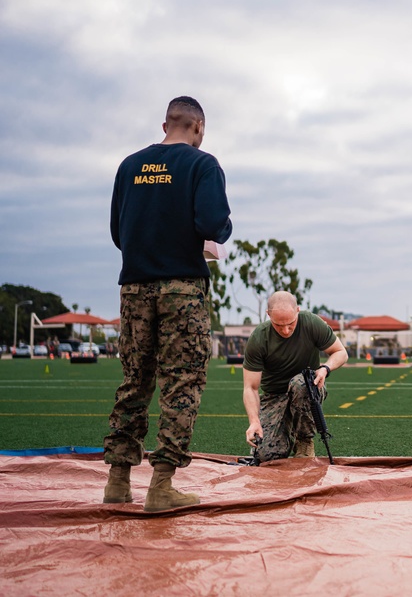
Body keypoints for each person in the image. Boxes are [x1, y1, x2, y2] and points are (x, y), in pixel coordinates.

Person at [104, 96, 232, 512]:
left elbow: (117, 232)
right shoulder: (202, 165)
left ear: (165, 125)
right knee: (182, 383)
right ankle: (161, 485)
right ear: (199, 127)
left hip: (135, 287)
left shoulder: (129, 166)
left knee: (134, 381)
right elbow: (213, 224)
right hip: (182, 288)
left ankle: (118, 482)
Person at [242, 291, 348, 462]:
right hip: (275, 396)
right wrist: (254, 421)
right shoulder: (259, 338)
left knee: (301, 383)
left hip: (307, 388)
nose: (285, 330)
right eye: (278, 325)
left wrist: (325, 369)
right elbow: (250, 387)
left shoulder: (312, 323)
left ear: (298, 310)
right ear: (268, 315)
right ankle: (285, 431)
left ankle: (304, 440)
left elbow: (341, 352)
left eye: (291, 323)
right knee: (267, 456)